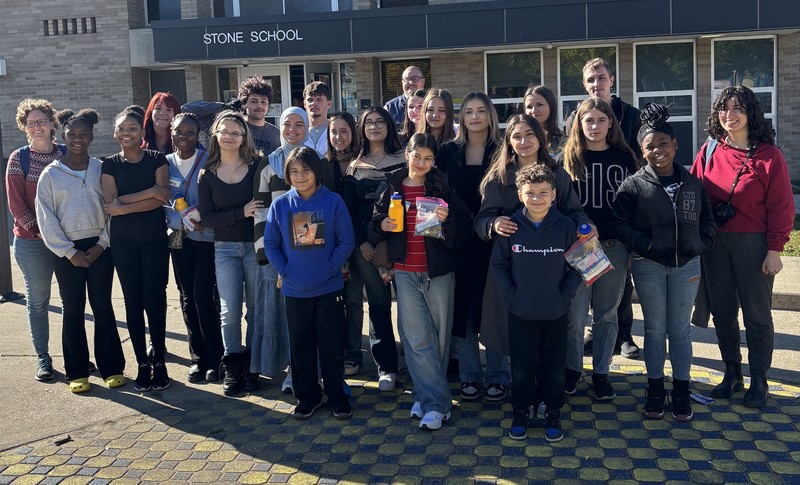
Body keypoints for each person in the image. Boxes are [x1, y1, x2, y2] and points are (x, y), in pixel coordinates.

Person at [690, 86, 795, 409]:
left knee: (757, 315)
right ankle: (732, 372)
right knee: (723, 312)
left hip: (754, 243)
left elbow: (782, 207)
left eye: (738, 108)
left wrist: (775, 250)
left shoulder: (768, 155)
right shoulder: (709, 151)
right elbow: (692, 194)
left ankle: (759, 379)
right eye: (724, 108)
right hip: (716, 244)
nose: (729, 115)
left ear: (751, 114)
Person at [612, 103, 716, 421]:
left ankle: (681, 390)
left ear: (675, 145)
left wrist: (701, 243)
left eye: (663, 144)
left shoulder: (693, 183)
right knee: (656, 330)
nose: (657, 151)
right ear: (641, 150)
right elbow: (619, 223)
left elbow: (707, 221)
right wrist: (644, 244)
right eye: (650, 146)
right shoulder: (633, 185)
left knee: (680, 330)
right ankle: (656, 389)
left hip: (687, 265)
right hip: (649, 266)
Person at [474, 114, 591, 385]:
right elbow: (479, 221)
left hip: (551, 267)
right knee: (504, 325)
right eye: (517, 136)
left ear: (540, 138)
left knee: (552, 328)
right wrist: (493, 223)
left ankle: (549, 387)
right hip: (513, 267)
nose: (524, 141)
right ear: (509, 142)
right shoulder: (498, 177)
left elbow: (575, 212)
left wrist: (587, 226)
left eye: (529, 135)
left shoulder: (557, 174)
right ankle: (500, 380)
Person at [370, 133, 471, 430]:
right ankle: (437, 404)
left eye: (428, 158)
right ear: (407, 154)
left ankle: (425, 396)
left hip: (437, 274)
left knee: (438, 341)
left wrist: (448, 219)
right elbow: (373, 225)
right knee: (416, 341)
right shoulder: (391, 186)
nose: (422, 163)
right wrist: (381, 224)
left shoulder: (442, 186)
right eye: (417, 156)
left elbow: (463, 229)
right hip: (404, 272)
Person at [35, 108, 126, 393]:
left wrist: (101, 244)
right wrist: (68, 251)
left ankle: (112, 367)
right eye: (72, 134)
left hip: (100, 247)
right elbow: (45, 218)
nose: (77, 139)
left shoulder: (101, 169)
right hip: (66, 252)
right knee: (72, 309)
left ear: (91, 137)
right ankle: (77, 371)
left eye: (83, 134)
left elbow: (113, 209)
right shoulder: (50, 175)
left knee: (102, 306)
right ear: (62, 135)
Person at [491, 163, 581, 442]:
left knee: (554, 366)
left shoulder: (566, 226)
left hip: (555, 310)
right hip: (521, 310)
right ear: (520, 194)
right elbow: (499, 266)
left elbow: (579, 266)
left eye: (544, 192)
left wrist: (564, 296)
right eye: (530, 193)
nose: (537, 198)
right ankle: (521, 410)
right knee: (522, 366)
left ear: (554, 194)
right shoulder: (511, 226)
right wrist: (512, 297)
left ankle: (551, 410)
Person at [263, 147, 355, 420]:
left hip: (328, 288)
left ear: (317, 172)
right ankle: (307, 396)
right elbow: (271, 243)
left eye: (306, 170)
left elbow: (345, 241)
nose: (300, 176)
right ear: (287, 175)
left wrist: (329, 268)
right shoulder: (280, 205)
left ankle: (337, 396)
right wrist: (285, 270)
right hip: (294, 290)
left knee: (331, 346)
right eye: (294, 171)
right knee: (301, 346)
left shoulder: (333, 202)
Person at [560, 98, 640, 401]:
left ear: (611, 123)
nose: (594, 126)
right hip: (578, 250)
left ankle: (601, 372)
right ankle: (572, 369)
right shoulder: (567, 159)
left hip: (614, 248)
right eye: (588, 120)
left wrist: (631, 249)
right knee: (575, 314)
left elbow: (635, 208)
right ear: (579, 124)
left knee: (607, 315)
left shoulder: (625, 158)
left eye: (601, 120)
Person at [435, 91, 510, 403]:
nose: (475, 117)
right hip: (458, 242)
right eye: (469, 112)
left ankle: (497, 375)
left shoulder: (504, 150)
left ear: (490, 116)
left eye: (481, 111)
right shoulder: (446, 152)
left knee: (495, 308)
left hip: (495, 240)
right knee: (463, 311)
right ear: (461, 118)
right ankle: (469, 375)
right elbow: (436, 192)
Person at [101, 105, 171, 392]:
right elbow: (110, 206)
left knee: (155, 299)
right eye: (122, 129)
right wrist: (149, 192)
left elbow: (161, 199)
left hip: (154, 240)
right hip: (124, 244)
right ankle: (142, 362)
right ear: (115, 134)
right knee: (133, 302)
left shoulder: (157, 159)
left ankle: (160, 361)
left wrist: (127, 203)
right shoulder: (110, 164)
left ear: (142, 132)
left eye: (133, 128)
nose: (127, 133)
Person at [197, 110, 264, 396]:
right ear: (215, 135)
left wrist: (244, 214)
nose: (229, 136)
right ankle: (233, 368)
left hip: (254, 246)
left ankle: (252, 365)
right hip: (224, 248)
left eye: (235, 133)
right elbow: (207, 218)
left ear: (243, 137)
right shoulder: (207, 173)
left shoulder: (257, 166)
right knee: (230, 311)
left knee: (256, 309)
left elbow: (262, 206)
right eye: (224, 131)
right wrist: (240, 212)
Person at [342, 107, 404, 391]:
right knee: (378, 305)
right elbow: (349, 211)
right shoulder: (355, 165)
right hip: (366, 248)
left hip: (403, 245)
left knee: (409, 308)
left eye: (380, 121)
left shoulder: (404, 160)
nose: (375, 127)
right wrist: (362, 243)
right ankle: (386, 366)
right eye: (369, 123)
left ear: (390, 126)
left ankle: (418, 363)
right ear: (362, 129)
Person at [6, 98, 66, 381]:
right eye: (31, 123)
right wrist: (44, 233)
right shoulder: (20, 159)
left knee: (73, 300)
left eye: (42, 121)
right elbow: (17, 206)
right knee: (39, 300)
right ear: (24, 128)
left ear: (52, 123)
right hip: (33, 242)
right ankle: (43, 356)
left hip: (68, 242)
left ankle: (75, 353)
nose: (37, 127)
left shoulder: (67, 153)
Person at [164, 112, 223, 383]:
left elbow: (213, 199)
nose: (183, 137)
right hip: (177, 236)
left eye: (189, 132)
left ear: (197, 135)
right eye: (178, 131)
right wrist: (182, 220)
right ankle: (197, 358)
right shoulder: (164, 164)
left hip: (205, 237)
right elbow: (164, 202)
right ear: (171, 133)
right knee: (186, 296)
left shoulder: (208, 161)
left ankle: (215, 357)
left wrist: (199, 220)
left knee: (203, 296)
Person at [327, 112, 364, 376]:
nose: (338, 137)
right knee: (332, 301)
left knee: (353, 299)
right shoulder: (320, 165)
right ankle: (333, 351)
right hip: (329, 245)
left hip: (359, 242)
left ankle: (353, 353)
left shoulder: (362, 163)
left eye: (344, 131)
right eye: (334, 132)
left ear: (353, 133)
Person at [183, 76, 280, 155]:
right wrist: (224, 107)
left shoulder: (277, 135)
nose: (259, 105)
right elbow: (186, 108)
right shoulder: (227, 126)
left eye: (264, 102)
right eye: (254, 101)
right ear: (243, 103)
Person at [522, 85, 565, 155]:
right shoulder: (521, 141)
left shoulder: (562, 143)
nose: (533, 110)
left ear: (551, 106)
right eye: (529, 107)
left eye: (539, 105)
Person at [303, 81, 333, 156]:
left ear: (329, 104)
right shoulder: (299, 131)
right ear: (304, 104)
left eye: (319, 100)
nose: (314, 103)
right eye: (310, 100)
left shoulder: (335, 129)